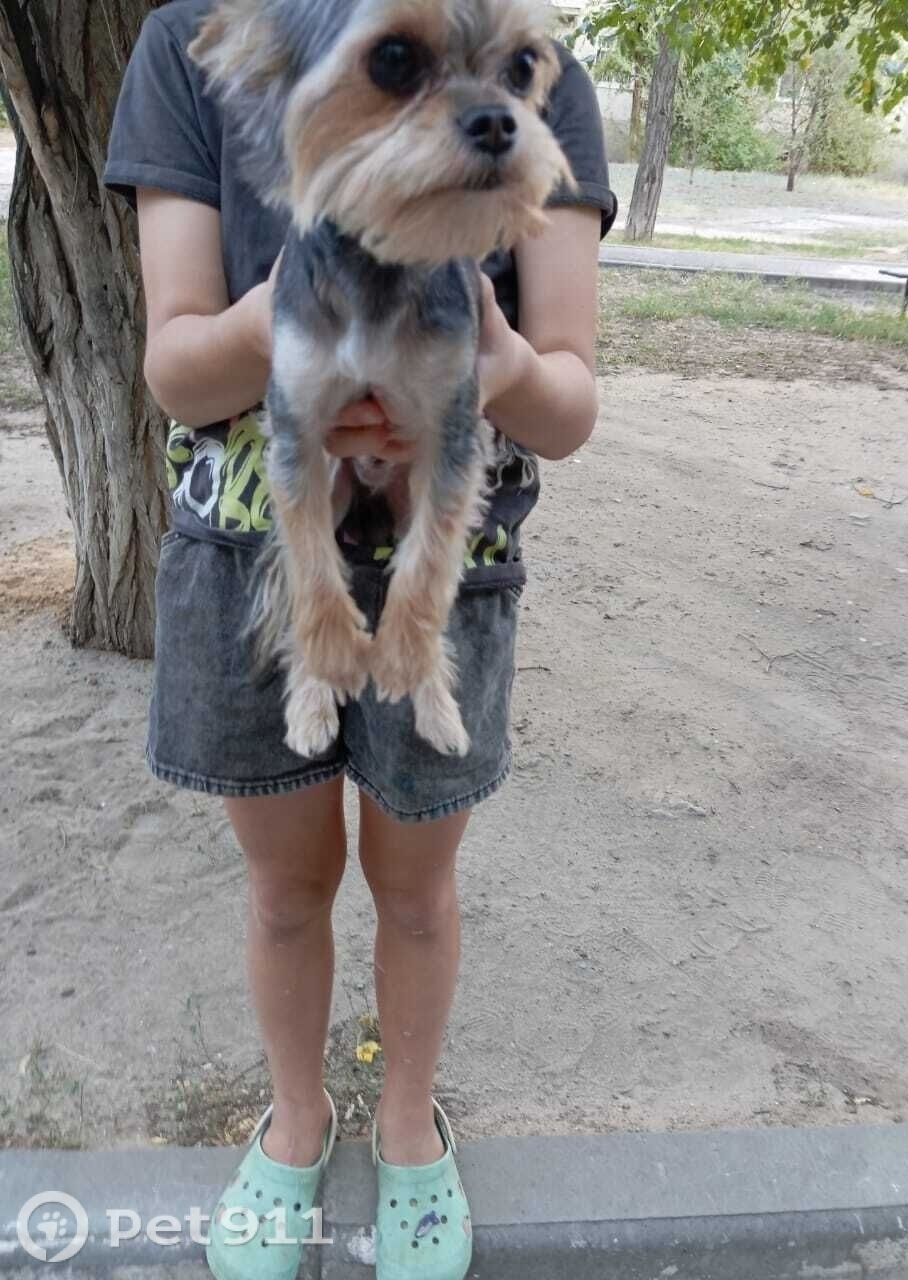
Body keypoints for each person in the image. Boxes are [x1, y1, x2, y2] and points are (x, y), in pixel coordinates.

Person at [104, 3, 615, 1278]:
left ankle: (406, 1126)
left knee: (418, 892)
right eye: (397, 68)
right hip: (249, 548)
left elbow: (567, 401)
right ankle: (295, 1115)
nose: (486, 102)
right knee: (285, 891)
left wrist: (489, 360)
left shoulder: (555, 81)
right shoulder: (193, 43)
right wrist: (294, 335)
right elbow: (177, 369)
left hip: (456, 566)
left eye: (512, 78)